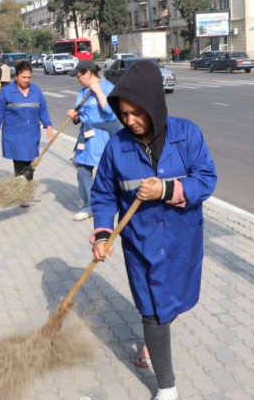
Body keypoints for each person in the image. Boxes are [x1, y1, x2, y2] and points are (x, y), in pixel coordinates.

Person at [89, 60, 217, 400]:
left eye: (137, 113)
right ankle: (166, 387)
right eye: (124, 113)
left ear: (154, 106)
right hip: (141, 244)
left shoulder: (187, 134)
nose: (130, 121)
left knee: (170, 305)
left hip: (181, 240)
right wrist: (103, 233)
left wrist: (165, 190)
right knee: (152, 310)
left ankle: (152, 341)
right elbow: (103, 193)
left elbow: (207, 179)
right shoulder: (117, 146)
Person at [0, 61, 54, 207]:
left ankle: (24, 190)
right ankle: (23, 193)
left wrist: (48, 126)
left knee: (30, 163)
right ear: (16, 76)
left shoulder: (36, 90)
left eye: (29, 77)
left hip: (32, 134)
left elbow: (43, 110)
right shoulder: (6, 92)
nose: (26, 80)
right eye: (23, 77)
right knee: (20, 164)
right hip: (14, 135)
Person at [66, 60, 120, 222]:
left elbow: (111, 111)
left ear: (88, 73)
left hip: (106, 135)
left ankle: (111, 202)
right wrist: (74, 115)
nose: (77, 78)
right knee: (83, 170)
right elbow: (81, 115)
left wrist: (97, 90)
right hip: (88, 136)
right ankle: (89, 206)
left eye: (79, 75)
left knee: (109, 172)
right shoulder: (82, 93)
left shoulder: (108, 88)